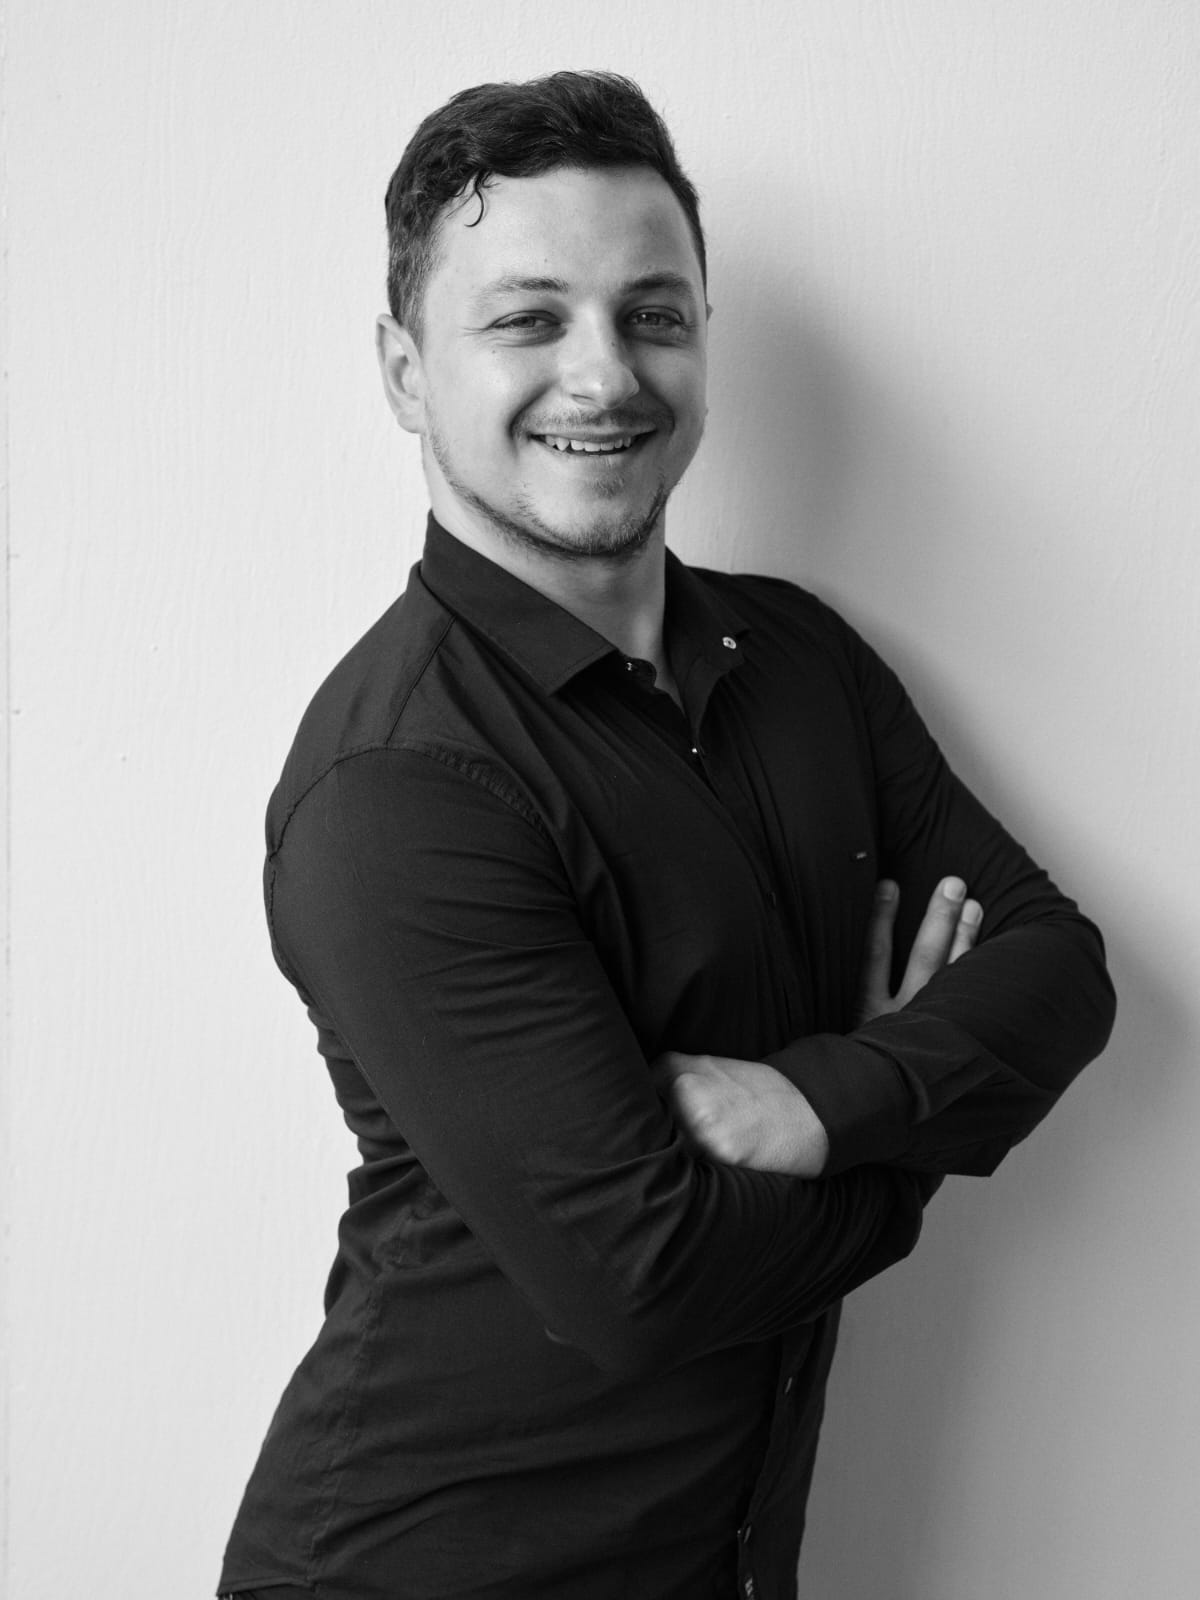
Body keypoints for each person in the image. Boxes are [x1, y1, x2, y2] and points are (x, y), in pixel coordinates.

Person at [217, 71, 1115, 1600]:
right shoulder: (399, 786)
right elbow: (649, 1282)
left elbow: (1059, 969)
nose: (604, 374)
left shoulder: (806, 663)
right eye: (528, 320)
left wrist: (814, 1103)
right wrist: (912, 1131)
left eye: (653, 315)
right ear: (405, 372)